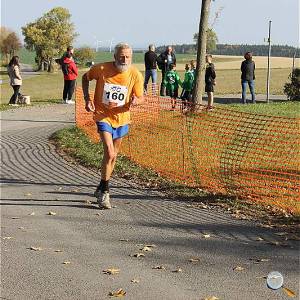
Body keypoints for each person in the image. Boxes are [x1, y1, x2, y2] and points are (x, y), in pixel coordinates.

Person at [82, 43, 144, 209]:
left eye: (128, 57)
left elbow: (141, 97)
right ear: (115, 57)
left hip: (123, 118)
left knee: (113, 155)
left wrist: (136, 101)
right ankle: (105, 193)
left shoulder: (135, 74)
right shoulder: (101, 68)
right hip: (103, 116)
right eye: (121, 56)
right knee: (109, 152)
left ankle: (101, 185)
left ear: (131, 57)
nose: (124, 60)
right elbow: (85, 78)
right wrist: (87, 99)